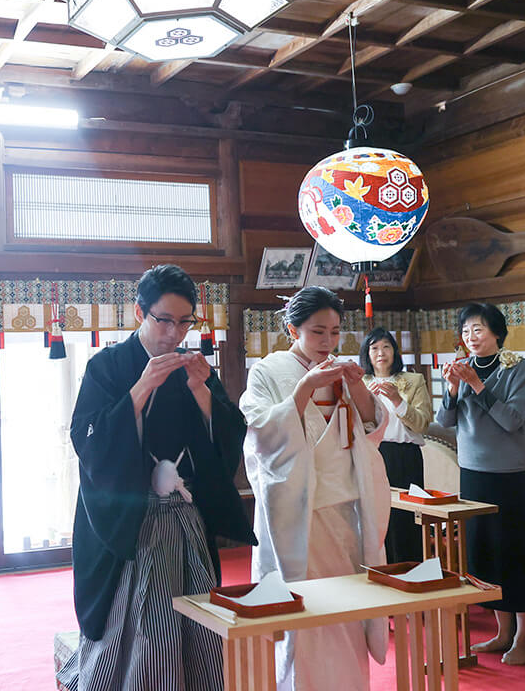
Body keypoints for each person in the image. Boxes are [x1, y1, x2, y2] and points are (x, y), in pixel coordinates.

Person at [56, 265, 255, 691]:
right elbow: (86, 438)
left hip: (184, 520)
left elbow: (227, 436)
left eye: (186, 321)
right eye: (164, 320)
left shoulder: (195, 367)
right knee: (133, 623)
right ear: (139, 312)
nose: (175, 332)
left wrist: (202, 391)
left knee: (195, 617)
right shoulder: (108, 366)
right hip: (130, 522)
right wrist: (141, 388)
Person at [239, 286, 389, 691]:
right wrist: (304, 388)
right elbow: (263, 432)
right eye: (318, 332)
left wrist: (357, 387)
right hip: (298, 511)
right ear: (293, 329)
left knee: (346, 611)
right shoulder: (268, 370)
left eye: (336, 332)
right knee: (303, 616)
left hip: (345, 508)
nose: (328, 342)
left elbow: (372, 430)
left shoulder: (341, 368)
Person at [434, 302, 525, 666]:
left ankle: (524, 636)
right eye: (466, 331)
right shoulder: (462, 369)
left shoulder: (519, 369)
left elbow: (512, 421)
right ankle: (501, 633)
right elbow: (444, 420)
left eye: (478, 330)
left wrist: (475, 384)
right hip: (474, 474)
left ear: (497, 332)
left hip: (512, 476)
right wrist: (452, 388)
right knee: (484, 554)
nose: (471, 337)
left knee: (516, 553)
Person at [360, 328, 433, 563]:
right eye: (374, 348)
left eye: (386, 347)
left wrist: (396, 399)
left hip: (404, 455)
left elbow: (422, 423)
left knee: (405, 517)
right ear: (367, 354)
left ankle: (410, 569)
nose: (381, 353)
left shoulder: (413, 381)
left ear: (395, 351)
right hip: (372, 454)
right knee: (375, 516)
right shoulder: (359, 383)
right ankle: (379, 567)